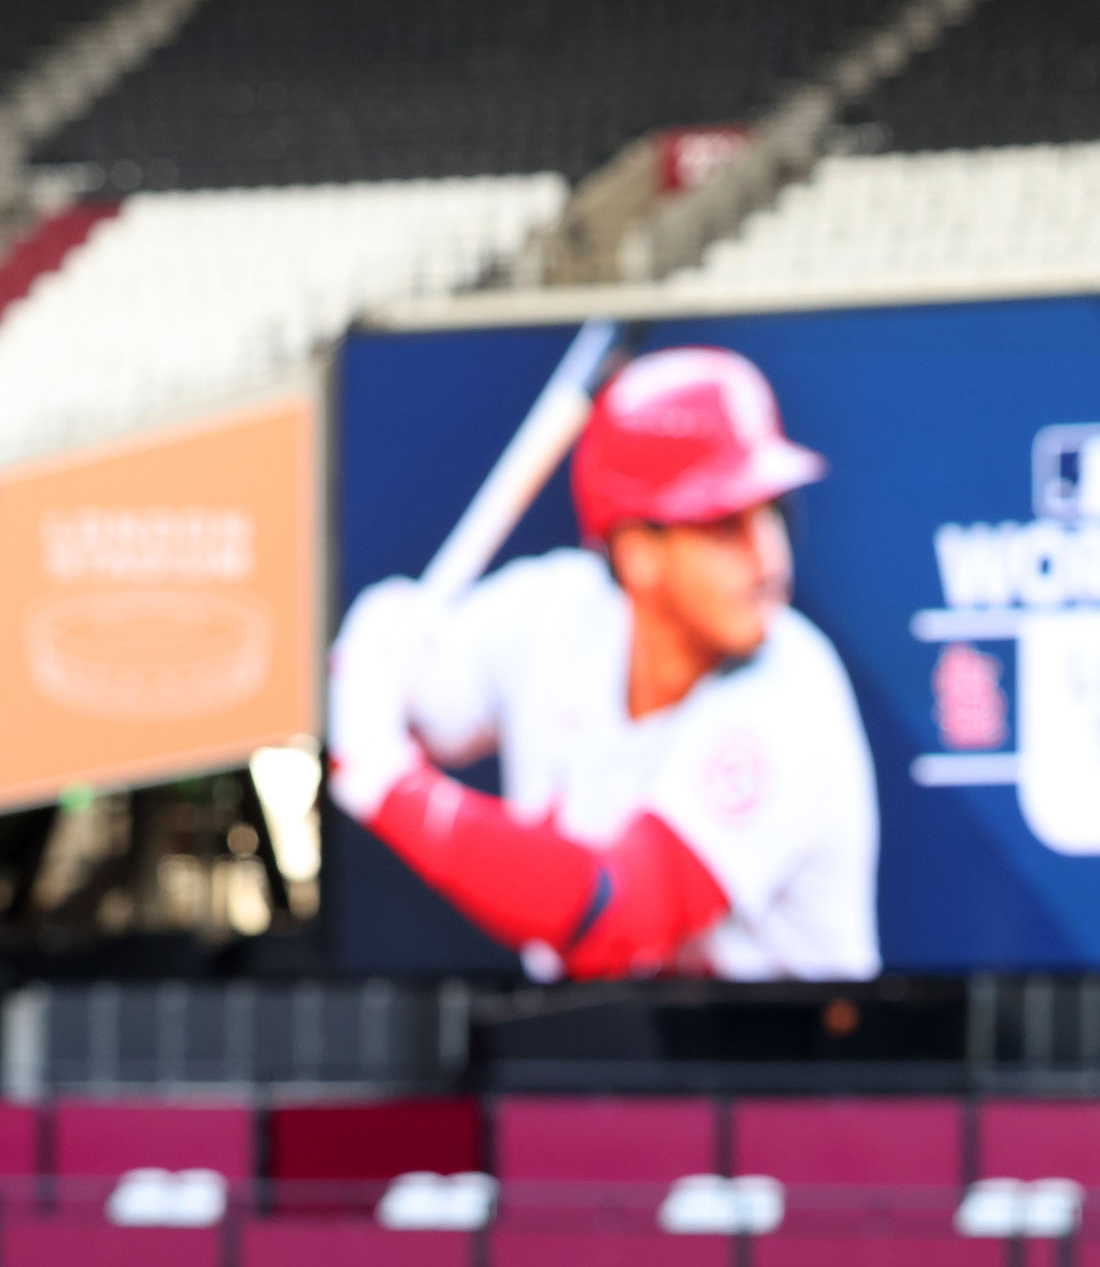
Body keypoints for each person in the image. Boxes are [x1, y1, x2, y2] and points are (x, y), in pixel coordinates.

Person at [328, 346, 879, 980]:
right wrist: (378, 639)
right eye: (727, 523)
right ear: (637, 552)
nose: (770, 557)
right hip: (603, 1055)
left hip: (793, 1067)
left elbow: (615, 921)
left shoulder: (793, 692)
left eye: (773, 514)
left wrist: (391, 789)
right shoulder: (551, 611)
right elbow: (422, 710)